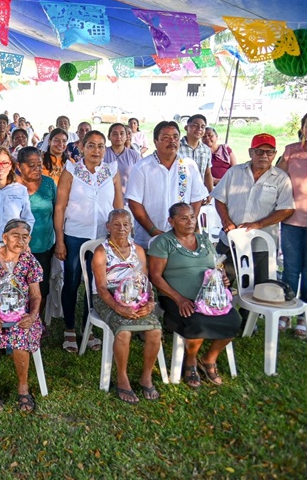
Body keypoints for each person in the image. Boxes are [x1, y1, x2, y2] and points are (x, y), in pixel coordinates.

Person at [148, 203, 242, 388]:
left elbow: (216, 265)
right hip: (176, 297)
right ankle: (190, 361)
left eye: (192, 217)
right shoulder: (163, 242)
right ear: (171, 221)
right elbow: (155, 277)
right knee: (196, 322)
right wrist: (179, 299)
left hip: (208, 297)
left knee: (234, 320)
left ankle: (209, 359)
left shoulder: (204, 240)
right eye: (183, 218)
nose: (190, 221)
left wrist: (221, 277)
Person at [54, 130, 124, 352]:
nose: (96, 150)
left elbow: (118, 207)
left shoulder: (111, 171)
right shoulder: (71, 171)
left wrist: (119, 237)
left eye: (101, 146)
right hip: (75, 236)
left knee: (96, 284)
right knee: (72, 281)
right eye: (91, 145)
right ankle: (69, 328)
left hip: (102, 239)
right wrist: (60, 240)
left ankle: (88, 327)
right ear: (82, 147)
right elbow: (60, 207)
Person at [0, 219, 44, 412]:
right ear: (5, 237)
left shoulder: (29, 261)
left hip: (21, 312)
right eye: (15, 236)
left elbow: (36, 296)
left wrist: (32, 315)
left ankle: (23, 386)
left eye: (25, 237)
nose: (20, 241)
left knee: (22, 335)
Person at [91, 210, 162, 403]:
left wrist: (150, 301)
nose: (121, 228)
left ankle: (146, 377)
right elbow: (101, 288)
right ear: (108, 227)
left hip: (137, 296)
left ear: (131, 226)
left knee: (155, 330)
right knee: (124, 332)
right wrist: (119, 308)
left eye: (126, 224)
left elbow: (146, 281)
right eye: (116, 224)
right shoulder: (101, 252)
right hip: (108, 297)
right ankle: (122, 379)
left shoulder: (137, 250)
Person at [212, 133, 294, 289]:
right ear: (250, 152)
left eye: (269, 152)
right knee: (218, 283)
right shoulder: (234, 172)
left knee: (259, 289)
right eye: (259, 151)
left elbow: (286, 209)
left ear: (275, 154)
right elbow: (219, 198)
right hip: (230, 240)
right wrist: (226, 221)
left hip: (262, 245)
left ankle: (248, 307)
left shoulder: (281, 178)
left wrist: (258, 224)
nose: (264, 156)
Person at [126, 121, 208, 249]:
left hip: (181, 240)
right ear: (155, 142)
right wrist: (154, 232)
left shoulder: (189, 166)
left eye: (175, 137)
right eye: (166, 138)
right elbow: (134, 203)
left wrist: (187, 226)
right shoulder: (142, 167)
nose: (172, 141)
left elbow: (197, 199)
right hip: (149, 240)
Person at [277, 109, 307, 337]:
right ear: (302, 128)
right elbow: (275, 178)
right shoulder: (291, 151)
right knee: (291, 269)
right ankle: (286, 311)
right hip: (291, 219)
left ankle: (305, 314)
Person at [16, 147, 57, 314]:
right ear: (19, 166)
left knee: (41, 284)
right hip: (17, 247)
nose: (37, 169)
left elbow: (57, 212)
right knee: (18, 285)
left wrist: (59, 241)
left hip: (43, 245)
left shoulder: (49, 184)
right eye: (31, 165)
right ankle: (17, 316)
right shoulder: (12, 186)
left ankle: (36, 318)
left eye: (39, 165)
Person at [178, 115, 214, 193]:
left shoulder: (206, 150)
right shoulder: (177, 148)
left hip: (199, 193)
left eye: (202, 126)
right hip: (180, 192)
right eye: (195, 125)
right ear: (186, 127)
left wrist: (211, 193)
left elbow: (207, 174)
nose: (199, 129)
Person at [104, 123, 140, 194]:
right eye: (115, 134)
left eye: (122, 133)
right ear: (108, 137)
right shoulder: (102, 154)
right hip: (106, 197)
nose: (118, 136)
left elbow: (140, 178)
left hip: (128, 197)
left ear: (126, 136)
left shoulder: (134, 155)